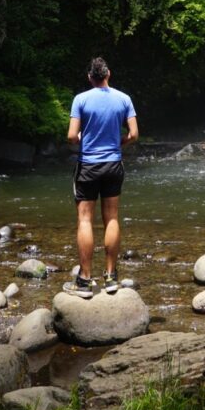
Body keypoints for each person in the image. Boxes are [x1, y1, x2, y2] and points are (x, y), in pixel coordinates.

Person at [63, 57, 138, 297]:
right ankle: (111, 278)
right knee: (112, 218)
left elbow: (72, 136)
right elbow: (134, 134)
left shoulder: (81, 99)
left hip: (88, 166)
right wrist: (120, 142)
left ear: (89, 78)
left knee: (85, 220)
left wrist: (86, 139)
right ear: (108, 74)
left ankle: (85, 281)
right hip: (113, 164)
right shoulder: (124, 99)